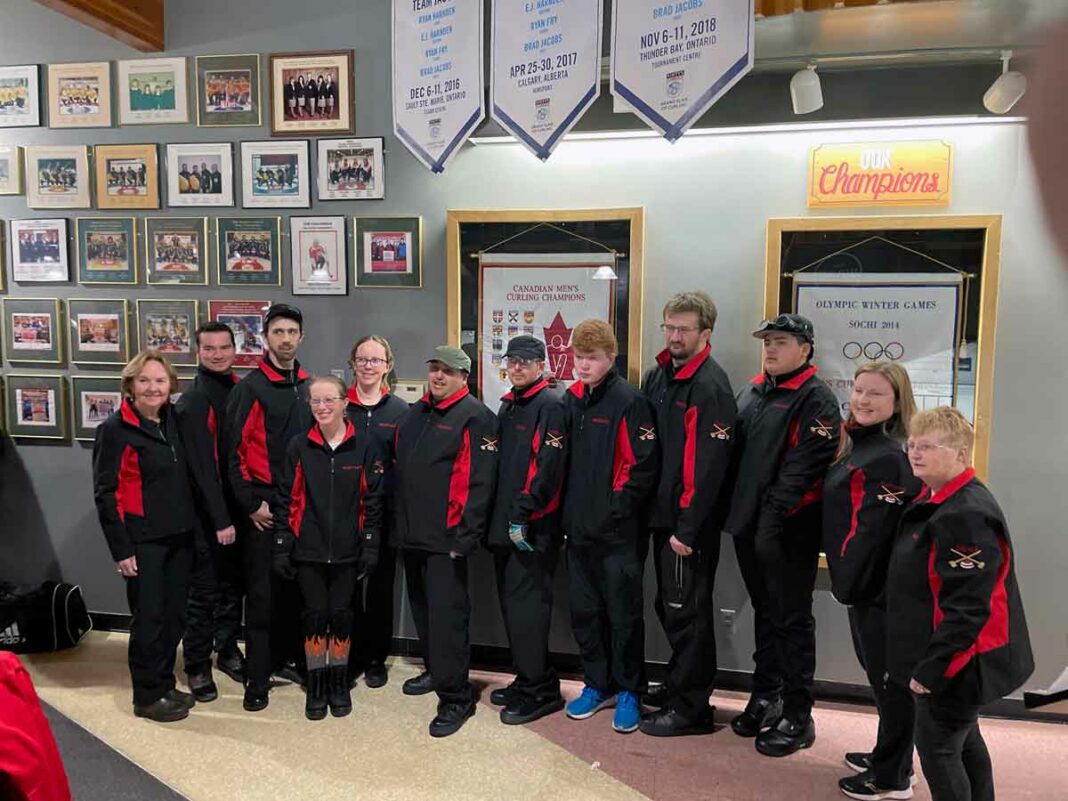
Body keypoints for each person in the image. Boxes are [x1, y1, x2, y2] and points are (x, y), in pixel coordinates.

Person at [888, 407, 1033, 801]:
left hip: (959, 663)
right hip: (952, 657)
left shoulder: (965, 514)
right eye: (912, 445)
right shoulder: (940, 500)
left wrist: (933, 671)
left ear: (960, 454)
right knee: (964, 739)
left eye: (928, 446)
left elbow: (968, 607)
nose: (915, 453)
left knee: (938, 748)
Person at [723, 313, 840, 757]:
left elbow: (802, 471)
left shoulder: (816, 400)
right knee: (767, 616)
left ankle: (798, 714)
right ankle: (765, 694)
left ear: (805, 349)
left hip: (789, 530)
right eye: (767, 341)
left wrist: (771, 522)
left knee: (792, 621)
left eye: (781, 341)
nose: (771, 348)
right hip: (750, 527)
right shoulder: (754, 392)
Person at [822, 363, 923, 799]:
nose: (862, 400)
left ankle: (892, 777)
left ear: (897, 402)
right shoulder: (860, 445)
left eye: (876, 394)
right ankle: (891, 754)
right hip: (862, 587)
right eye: (859, 390)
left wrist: (850, 581)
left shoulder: (891, 457)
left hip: (882, 591)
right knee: (880, 676)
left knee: (891, 681)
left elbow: (875, 534)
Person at [639, 292, 736, 737]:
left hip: (686, 526)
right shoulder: (660, 376)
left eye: (684, 329)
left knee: (688, 611)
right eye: (669, 327)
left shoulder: (709, 387)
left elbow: (708, 466)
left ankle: (693, 708)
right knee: (671, 605)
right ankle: (679, 684)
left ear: (705, 334)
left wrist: (689, 528)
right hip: (660, 516)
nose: (675, 336)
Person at [393, 346, 498, 737]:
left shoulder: (477, 417)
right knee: (423, 612)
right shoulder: (415, 414)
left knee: (448, 619)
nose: (438, 376)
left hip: (448, 539)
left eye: (447, 371)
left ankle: (456, 697)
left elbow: (480, 484)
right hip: (412, 535)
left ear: (463, 377)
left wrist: (465, 536)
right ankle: (437, 672)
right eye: (434, 368)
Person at [562, 320, 660, 734]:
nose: (583, 365)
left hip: (619, 535)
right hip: (577, 532)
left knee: (623, 616)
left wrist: (613, 513)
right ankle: (595, 683)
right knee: (585, 614)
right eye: (578, 358)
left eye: (592, 358)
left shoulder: (630, 400)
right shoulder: (570, 400)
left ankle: (629, 691)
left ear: (610, 358)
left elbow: (640, 468)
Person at [92, 351, 198, 722]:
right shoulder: (114, 430)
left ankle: (164, 682)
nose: (153, 388)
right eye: (144, 380)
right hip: (143, 542)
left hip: (180, 538)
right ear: (130, 386)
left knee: (174, 618)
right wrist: (121, 549)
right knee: (149, 619)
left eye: (160, 380)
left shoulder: (174, 422)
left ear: (171, 385)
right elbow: (107, 494)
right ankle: (147, 696)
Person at [275, 376, 385, 720]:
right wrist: (282, 545)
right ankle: (316, 682)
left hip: (348, 551)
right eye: (316, 401)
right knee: (314, 615)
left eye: (329, 401)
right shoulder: (298, 446)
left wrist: (370, 545)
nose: (322, 407)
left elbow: (374, 502)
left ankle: (338, 681)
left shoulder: (365, 446)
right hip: (308, 549)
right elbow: (285, 501)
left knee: (341, 615)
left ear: (344, 403)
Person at [224, 304, 312, 712]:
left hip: (302, 508)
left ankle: (290, 660)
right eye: (278, 332)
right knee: (261, 598)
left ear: (300, 337)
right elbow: (232, 454)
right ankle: (257, 679)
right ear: (266, 338)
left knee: (296, 594)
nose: (286, 339)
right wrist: (250, 503)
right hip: (263, 508)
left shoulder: (310, 387)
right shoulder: (250, 388)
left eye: (292, 331)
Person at [486, 335, 568, 725]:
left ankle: (541, 690)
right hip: (504, 525)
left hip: (532, 527)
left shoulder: (549, 405)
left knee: (529, 610)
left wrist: (523, 513)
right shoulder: (510, 405)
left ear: (541, 365)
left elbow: (546, 469)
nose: (516, 367)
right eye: (512, 361)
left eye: (525, 361)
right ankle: (527, 677)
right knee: (513, 609)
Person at [176, 322, 245, 703]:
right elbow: (203, 468)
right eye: (209, 348)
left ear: (235, 349)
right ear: (198, 353)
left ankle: (229, 648)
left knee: (233, 587)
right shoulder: (194, 399)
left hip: (237, 510)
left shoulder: (237, 389)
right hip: (208, 516)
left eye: (224, 347)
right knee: (203, 593)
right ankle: (198, 665)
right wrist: (220, 520)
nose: (217, 354)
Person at [345, 335, 409, 688]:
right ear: (353, 363)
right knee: (346, 588)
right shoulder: (338, 406)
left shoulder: (401, 412)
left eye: (376, 360)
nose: (369, 366)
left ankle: (375, 658)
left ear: (388, 365)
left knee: (381, 589)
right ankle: (351, 654)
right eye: (362, 359)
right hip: (344, 514)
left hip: (384, 516)